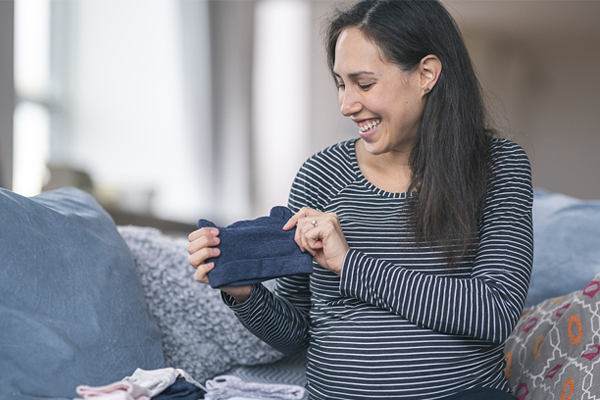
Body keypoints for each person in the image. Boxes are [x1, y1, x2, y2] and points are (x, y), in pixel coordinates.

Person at [187, 0, 533, 398]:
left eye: (364, 83)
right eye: (340, 83)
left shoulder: (499, 166)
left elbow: (495, 311)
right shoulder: (321, 174)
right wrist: (242, 292)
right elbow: (299, 333)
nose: (347, 105)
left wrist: (349, 265)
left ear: (426, 74)